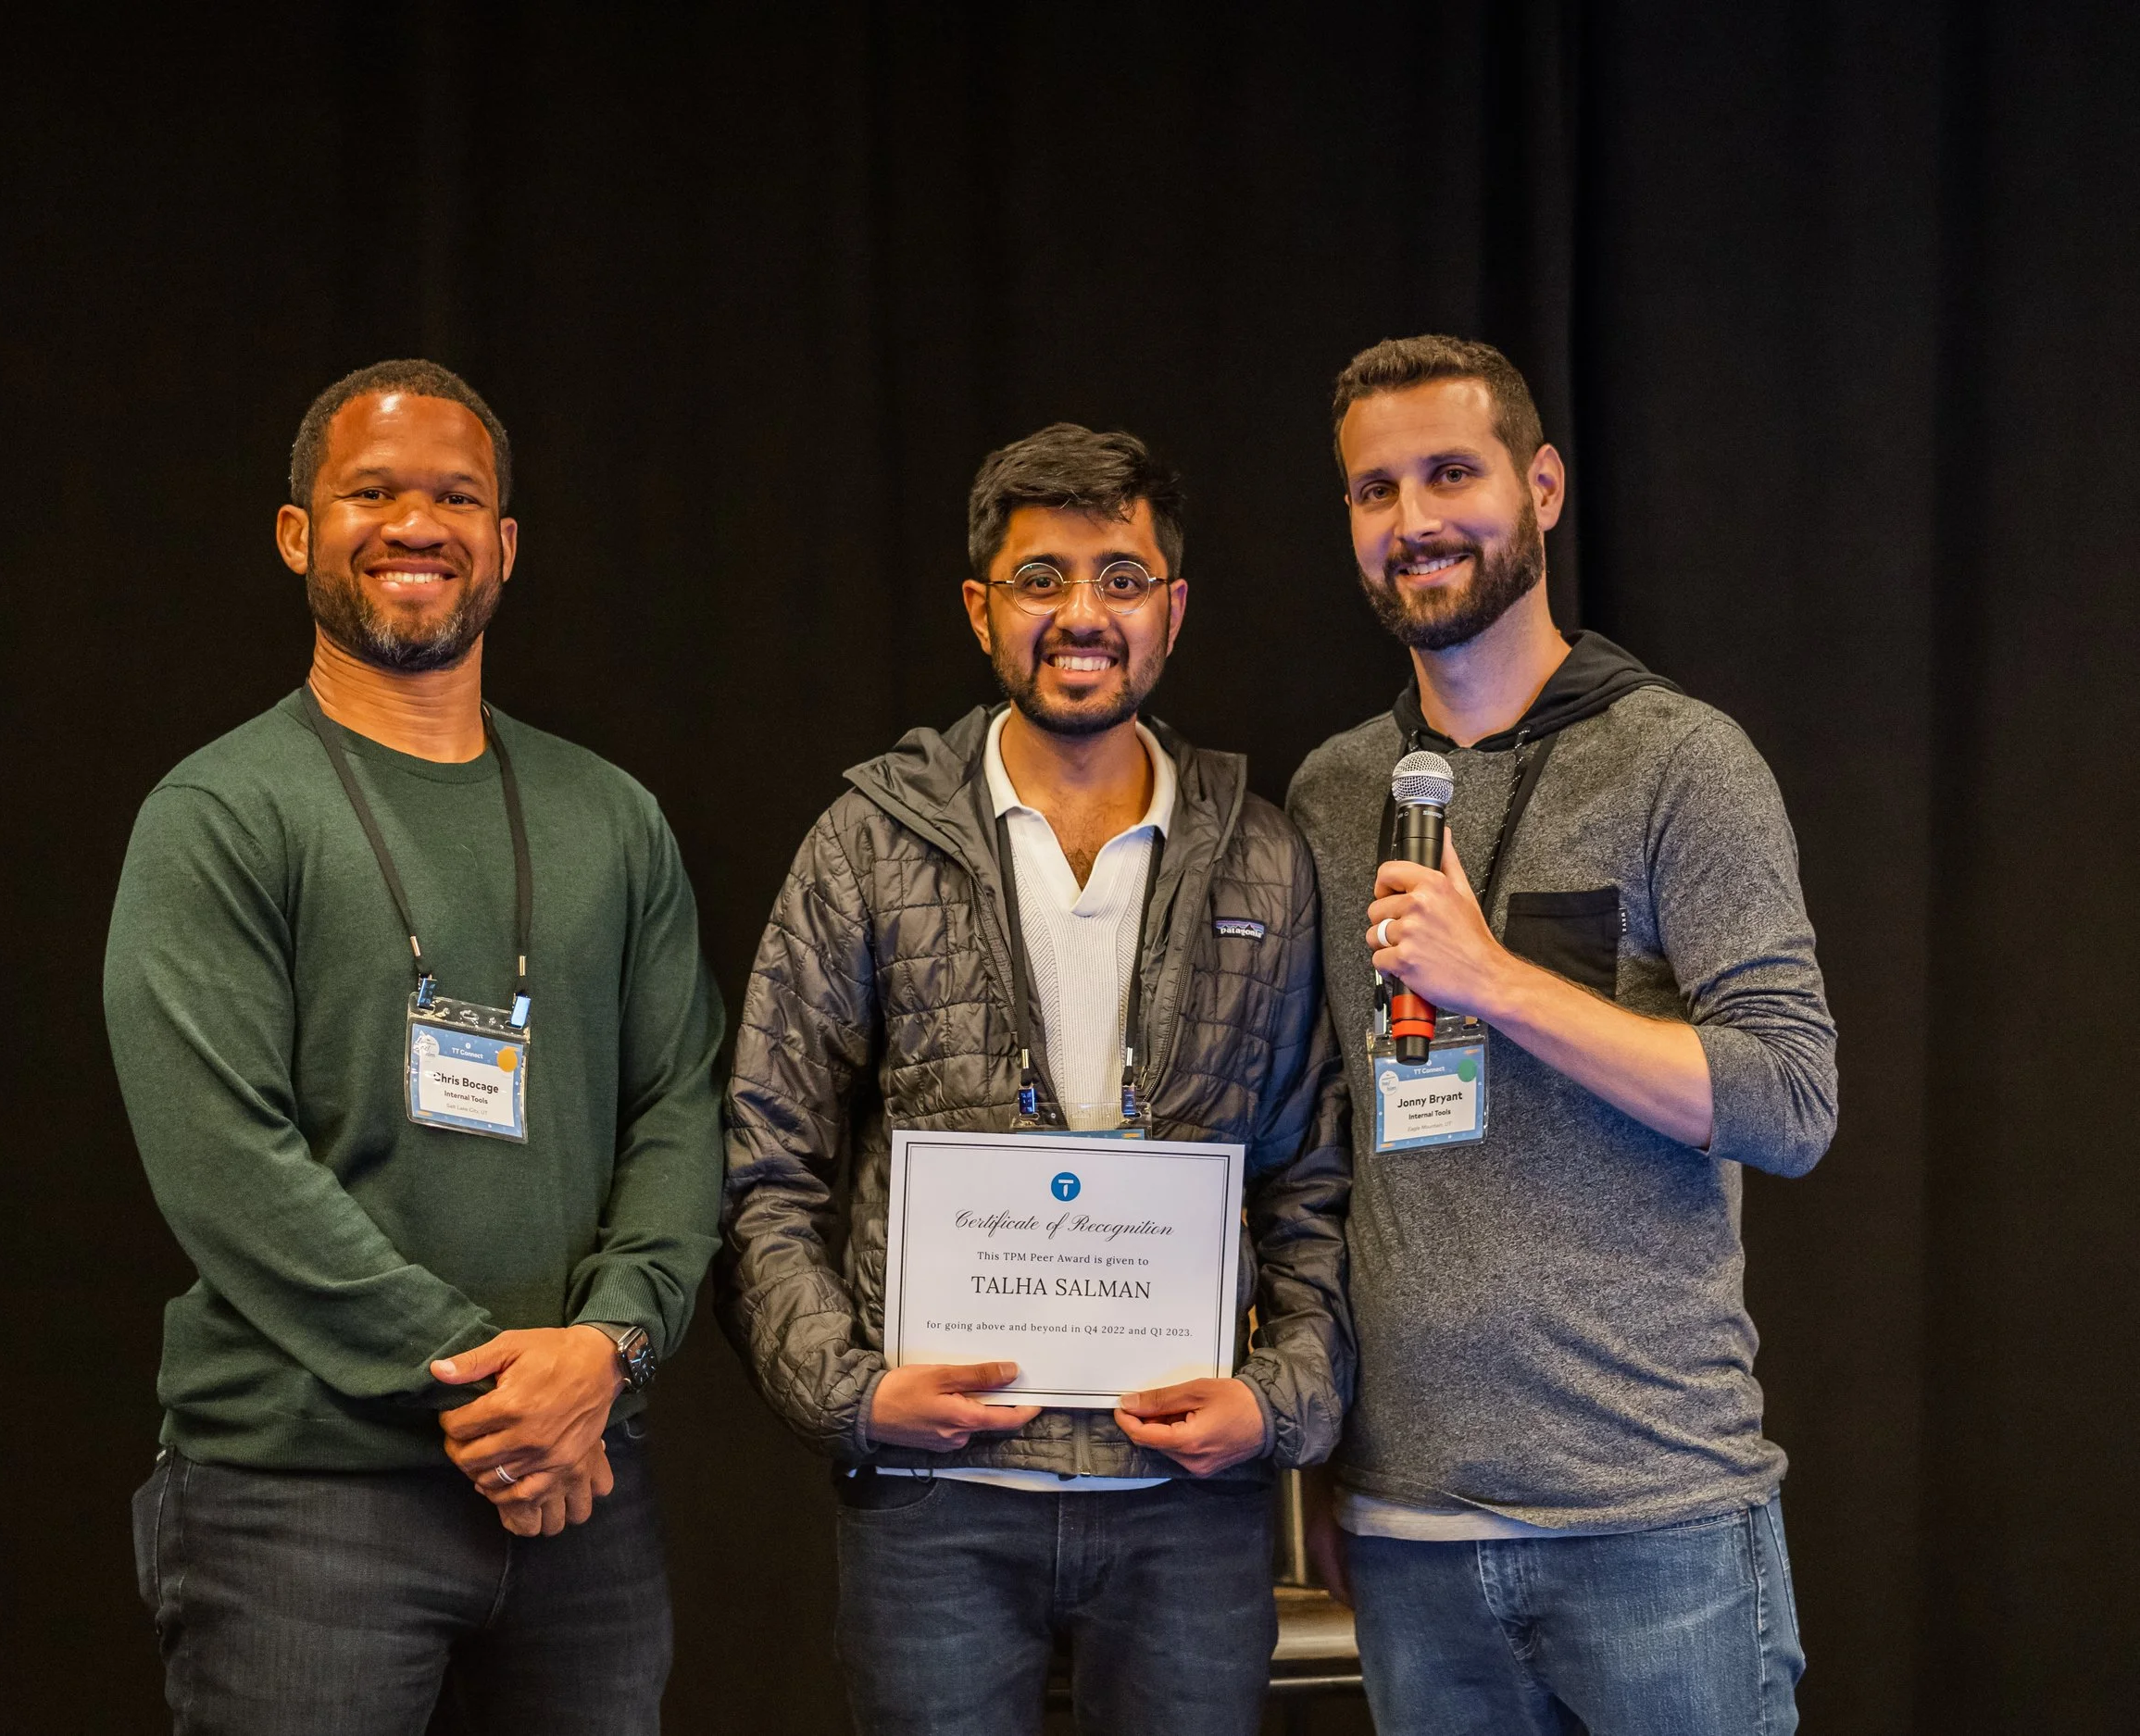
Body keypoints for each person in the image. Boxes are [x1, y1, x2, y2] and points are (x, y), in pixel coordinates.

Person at [104, 359, 724, 1735]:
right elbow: (227, 1169)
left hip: (583, 1501)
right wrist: (502, 1386)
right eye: (369, 492)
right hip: (303, 1504)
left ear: (504, 545)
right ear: (295, 534)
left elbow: (682, 1109)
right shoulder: (216, 814)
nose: (414, 524)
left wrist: (607, 1350)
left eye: (455, 496)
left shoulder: (611, 817)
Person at [718, 424, 1352, 1736]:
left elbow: (1314, 1182)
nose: (1082, 615)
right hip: (938, 1505)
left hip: (1186, 1511)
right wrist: (850, 1392)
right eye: (1040, 578)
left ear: (1172, 609)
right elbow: (764, 1159)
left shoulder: (1269, 863)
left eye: (1121, 578)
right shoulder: (866, 843)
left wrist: (1280, 1398)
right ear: (981, 609)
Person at [1286, 334, 1835, 1734]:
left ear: (1541, 487)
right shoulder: (1336, 792)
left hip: (1655, 1518)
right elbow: (1326, 1147)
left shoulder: (1679, 761)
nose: (1413, 522)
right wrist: (1326, 1460)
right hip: (1414, 1532)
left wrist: (1498, 979)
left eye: (1451, 473)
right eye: (1374, 489)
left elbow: (1788, 1099)